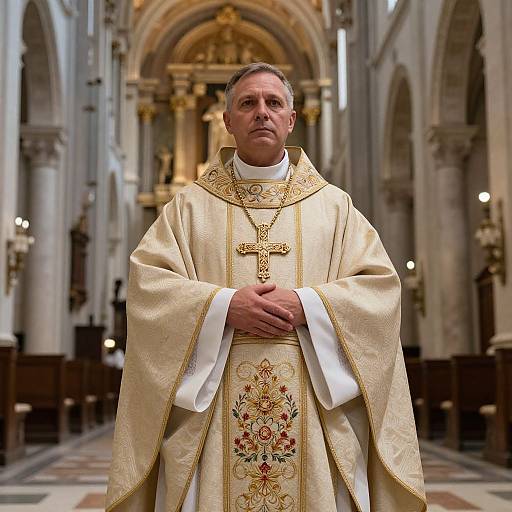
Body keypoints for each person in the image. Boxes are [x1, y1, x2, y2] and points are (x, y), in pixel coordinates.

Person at [106, 63, 426, 512]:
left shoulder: (333, 208)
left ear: (291, 120)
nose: (262, 113)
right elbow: (148, 287)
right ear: (228, 120)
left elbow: (380, 290)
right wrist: (221, 306)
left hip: (312, 412)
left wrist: (308, 304)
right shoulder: (189, 208)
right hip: (214, 411)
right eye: (248, 103)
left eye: (274, 103)